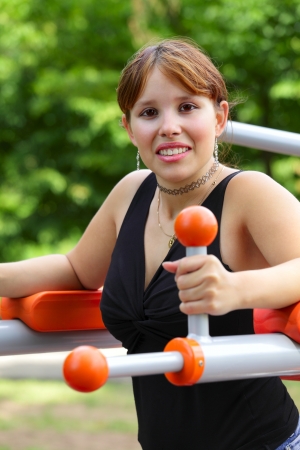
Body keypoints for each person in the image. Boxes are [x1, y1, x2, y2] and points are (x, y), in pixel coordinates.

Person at [1, 38, 300, 449]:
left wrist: (235, 288)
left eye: (187, 106)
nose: (168, 126)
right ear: (128, 127)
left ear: (219, 116)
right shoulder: (130, 193)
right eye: (148, 112)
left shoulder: (248, 192)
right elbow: (76, 270)